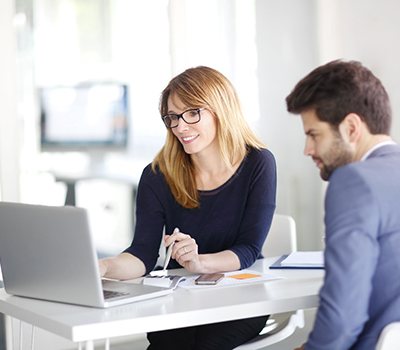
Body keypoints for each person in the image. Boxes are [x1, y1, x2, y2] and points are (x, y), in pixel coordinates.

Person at [100, 66, 277, 350]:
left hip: (240, 297)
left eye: (192, 113)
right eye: (172, 117)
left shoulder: (258, 163)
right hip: (179, 300)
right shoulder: (157, 175)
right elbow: (143, 254)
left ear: (221, 109)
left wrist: (199, 262)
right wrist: (103, 266)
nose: (180, 126)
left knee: (206, 344)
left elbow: (248, 249)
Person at [285, 59, 400, 350]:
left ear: (351, 127)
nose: (307, 150)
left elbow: (342, 319)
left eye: (314, 134)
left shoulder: (354, 181)